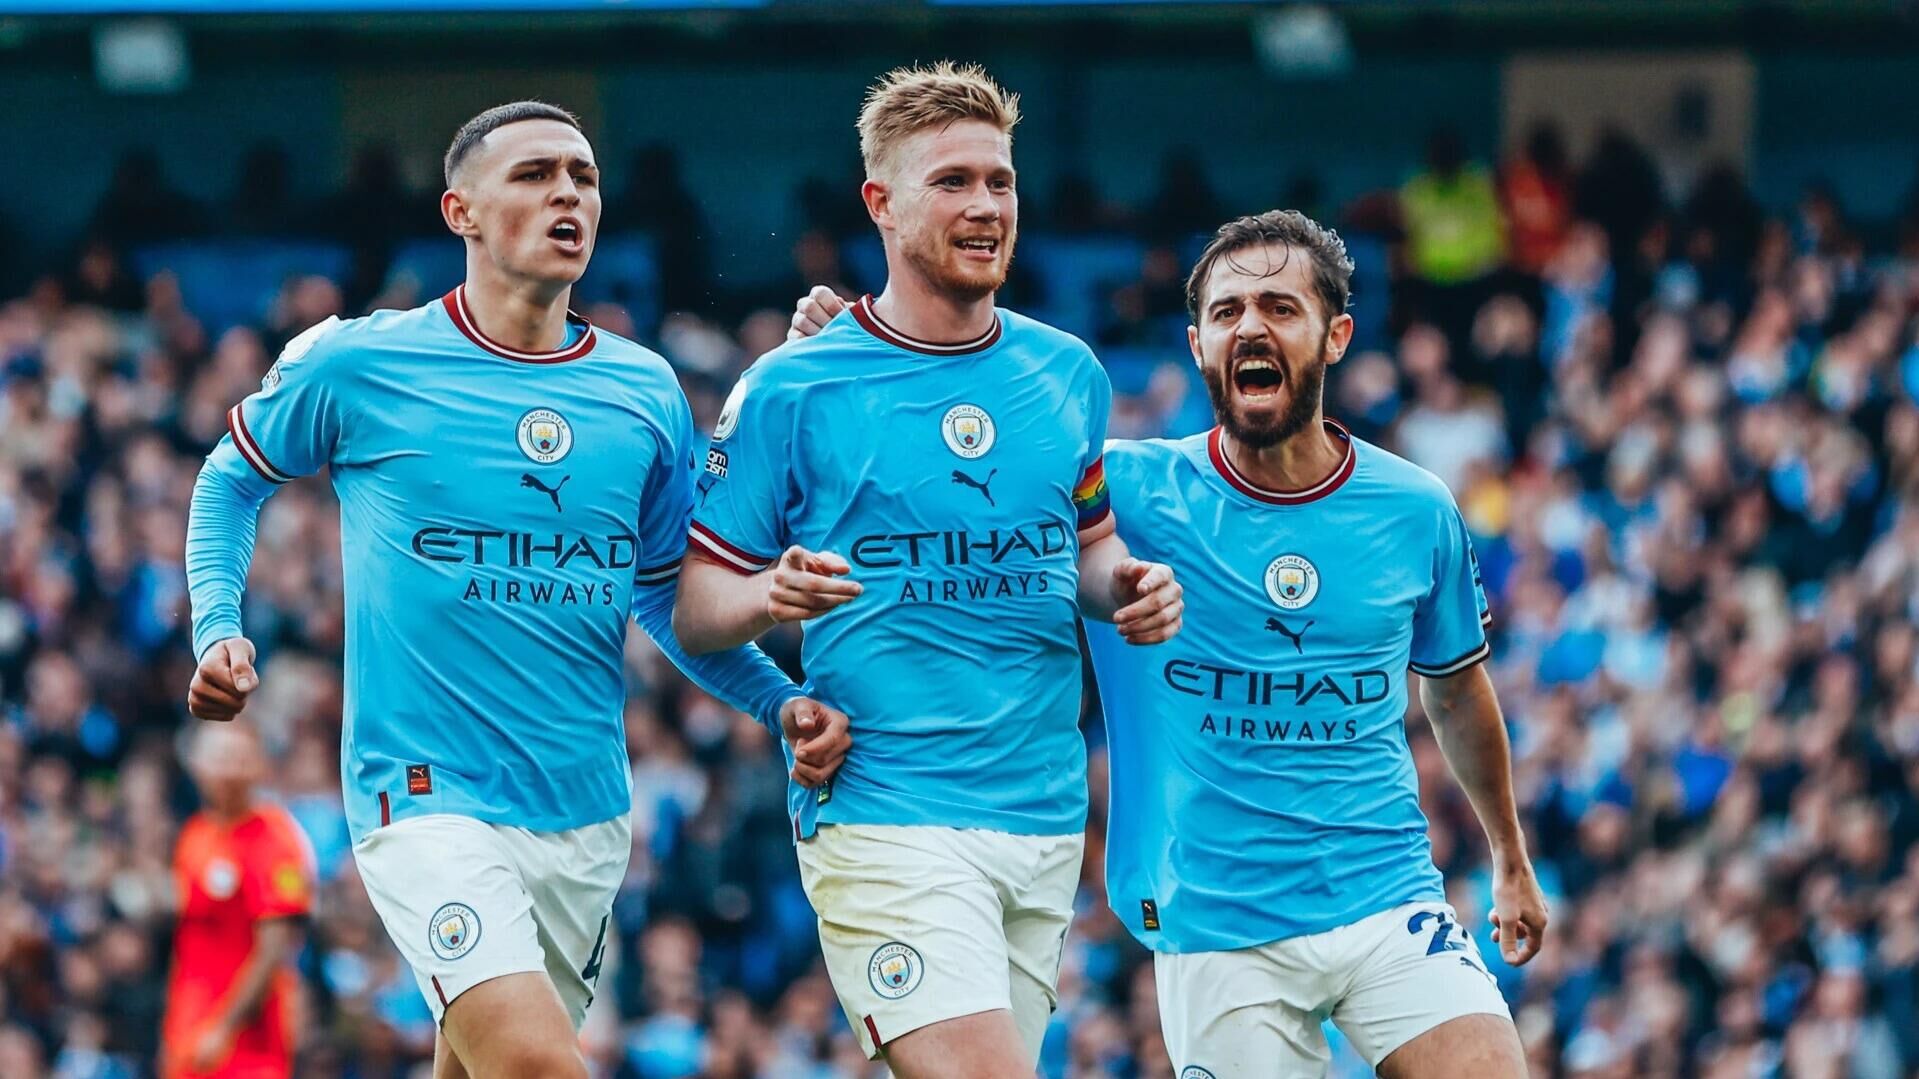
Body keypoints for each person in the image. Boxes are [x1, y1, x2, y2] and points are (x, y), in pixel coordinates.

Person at [787, 210, 1549, 1078]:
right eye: (1226, 312)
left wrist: (1509, 855)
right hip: (1217, 929)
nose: (1250, 327)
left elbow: (1455, 689)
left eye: (1279, 307)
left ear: (1335, 336)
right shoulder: (1126, 491)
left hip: (1388, 898)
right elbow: (956, 479)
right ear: (1196, 346)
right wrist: (858, 368)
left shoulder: (1414, 508)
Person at [184, 101, 850, 1079]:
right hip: (424, 795)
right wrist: (216, 626)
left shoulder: (644, 392)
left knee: (482, 1064)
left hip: (583, 812)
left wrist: (778, 700)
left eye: (583, 176)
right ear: (460, 210)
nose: (566, 193)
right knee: (538, 1063)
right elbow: (228, 479)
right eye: (535, 174)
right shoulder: (362, 361)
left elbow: (665, 596)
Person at [672, 63, 1183, 1078]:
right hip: (884, 810)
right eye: (951, 181)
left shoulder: (1066, 373)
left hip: (1040, 819)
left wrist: (1126, 581)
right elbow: (694, 603)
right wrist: (770, 595)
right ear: (881, 203)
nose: (985, 205)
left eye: (999, 181)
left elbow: (1085, 544)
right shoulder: (791, 387)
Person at [162, 723, 314, 1079]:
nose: (228, 770)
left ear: (259, 765)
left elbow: (274, 948)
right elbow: (186, 938)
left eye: (239, 758)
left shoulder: (276, 839)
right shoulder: (194, 835)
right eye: (219, 757)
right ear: (197, 764)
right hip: (188, 1029)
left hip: (248, 1041)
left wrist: (225, 1028)